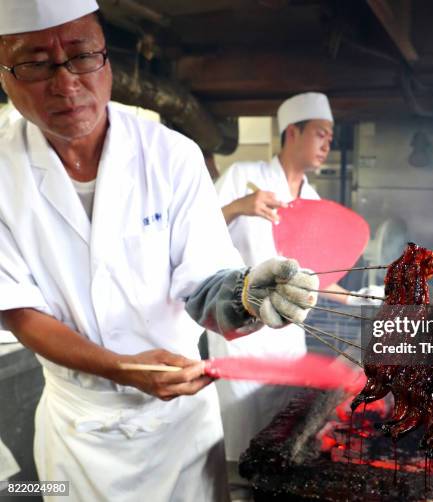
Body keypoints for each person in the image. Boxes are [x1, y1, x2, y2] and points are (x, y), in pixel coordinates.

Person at [0, 2, 317, 501]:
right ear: (4, 73)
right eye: (35, 63)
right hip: (78, 429)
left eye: (81, 56)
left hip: (178, 430)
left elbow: (205, 282)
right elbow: (19, 310)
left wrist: (248, 297)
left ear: (107, 60)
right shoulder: (2, 170)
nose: (65, 85)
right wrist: (116, 367)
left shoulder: (172, 155)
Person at [210, 92, 374, 473]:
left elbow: (315, 277)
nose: (326, 144)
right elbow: (197, 233)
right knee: (240, 440)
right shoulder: (242, 177)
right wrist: (240, 207)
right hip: (242, 335)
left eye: (330, 137)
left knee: (278, 438)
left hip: (286, 337)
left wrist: (359, 298)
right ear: (292, 134)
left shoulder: (312, 200)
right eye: (320, 133)